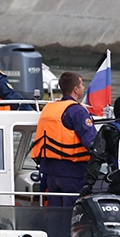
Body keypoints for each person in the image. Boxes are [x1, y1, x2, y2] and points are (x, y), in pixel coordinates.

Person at [30, 71, 97, 207]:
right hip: (72, 172)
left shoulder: (49, 109)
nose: (84, 88)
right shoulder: (77, 111)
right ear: (75, 89)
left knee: (55, 213)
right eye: (82, 85)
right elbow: (92, 142)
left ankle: (53, 229)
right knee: (72, 213)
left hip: (50, 172)